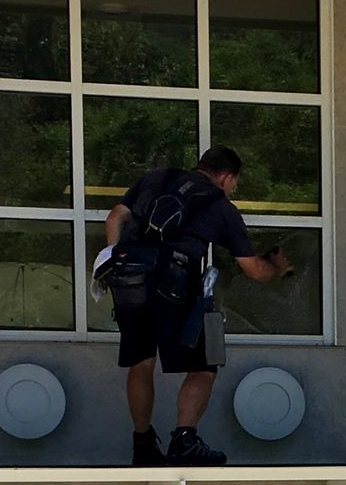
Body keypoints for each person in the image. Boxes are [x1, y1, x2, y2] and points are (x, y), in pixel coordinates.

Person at [96, 146, 292, 466]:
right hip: (174, 286)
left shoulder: (156, 179)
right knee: (204, 363)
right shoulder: (220, 206)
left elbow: (115, 217)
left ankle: (143, 444)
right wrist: (279, 269)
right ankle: (184, 440)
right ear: (226, 177)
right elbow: (253, 269)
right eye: (234, 184)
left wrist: (118, 259)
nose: (233, 189)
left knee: (142, 361)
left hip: (130, 282)